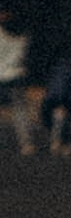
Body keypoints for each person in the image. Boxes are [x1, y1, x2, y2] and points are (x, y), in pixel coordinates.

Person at [0, 13, 33, 157]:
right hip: (17, 75)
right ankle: (26, 143)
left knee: (18, 110)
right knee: (20, 111)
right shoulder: (24, 37)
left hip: (2, 75)